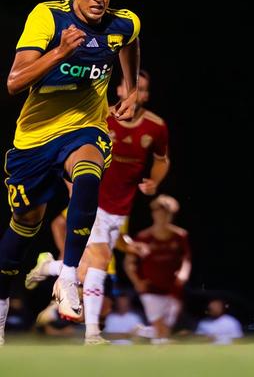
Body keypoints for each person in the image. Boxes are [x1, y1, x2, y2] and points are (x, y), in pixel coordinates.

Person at [0, 0, 140, 345]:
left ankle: (68, 277)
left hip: (85, 128)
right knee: (27, 221)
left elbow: (130, 40)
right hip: (34, 139)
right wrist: (61, 51)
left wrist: (129, 88)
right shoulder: (47, 16)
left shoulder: (121, 23)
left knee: (88, 170)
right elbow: (14, 81)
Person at [25, 69, 169, 344]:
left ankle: (48, 268)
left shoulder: (156, 127)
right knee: (101, 259)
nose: (134, 93)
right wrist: (73, 188)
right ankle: (93, 334)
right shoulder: (101, 116)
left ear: (146, 95)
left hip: (120, 210)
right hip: (94, 201)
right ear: (118, 91)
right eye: (129, 86)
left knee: (85, 270)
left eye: (141, 89)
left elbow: (162, 160)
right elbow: (71, 150)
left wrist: (155, 181)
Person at [124, 194, 191, 344]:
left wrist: (183, 274)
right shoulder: (143, 237)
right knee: (160, 325)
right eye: (159, 213)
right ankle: (161, 351)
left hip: (173, 288)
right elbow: (129, 262)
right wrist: (137, 281)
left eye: (167, 214)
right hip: (149, 287)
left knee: (166, 327)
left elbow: (186, 259)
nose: (162, 217)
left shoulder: (180, 236)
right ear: (153, 214)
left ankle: (143, 332)